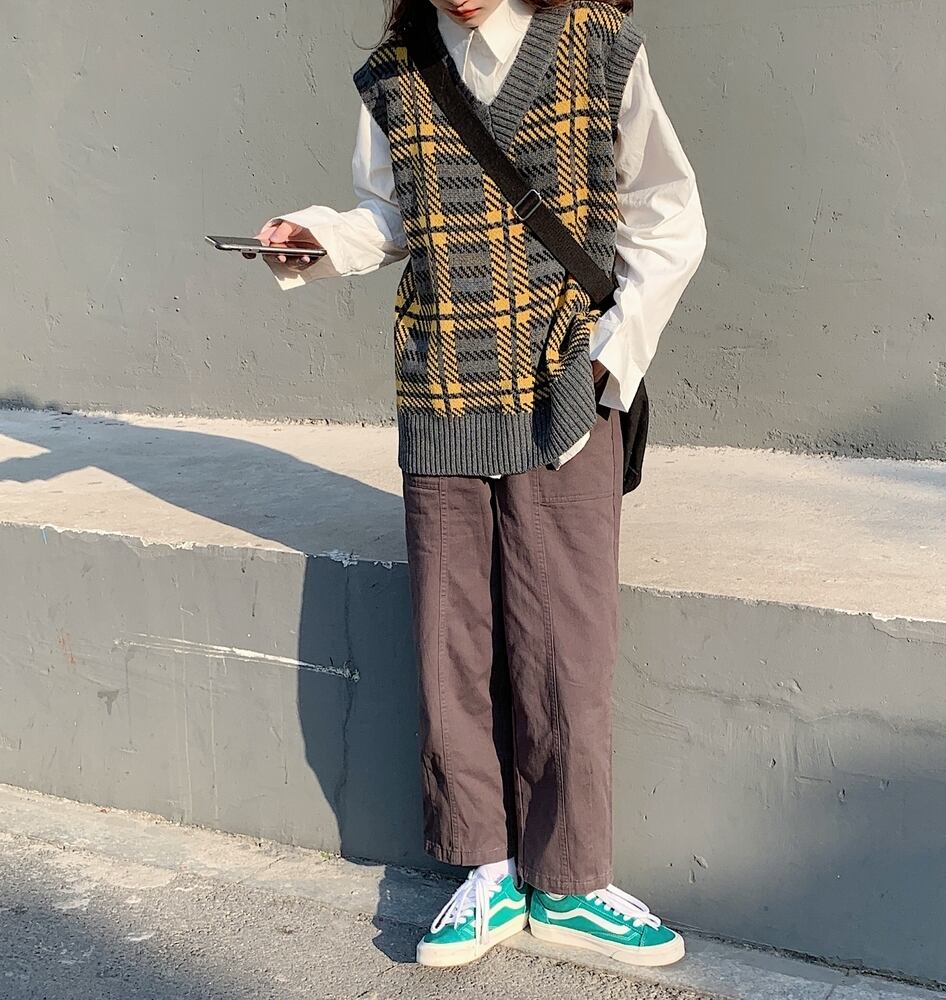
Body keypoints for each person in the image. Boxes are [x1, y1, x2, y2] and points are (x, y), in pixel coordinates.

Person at [253, 0, 707, 971]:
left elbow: (670, 214)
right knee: (448, 639)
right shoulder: (396, 72)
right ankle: (484, 868)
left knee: (568, 641)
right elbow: (391, 215)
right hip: (444, 386)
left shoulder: (598, 45)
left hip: (566, 392)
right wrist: (317, 239)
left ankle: (572, 884)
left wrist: (608, 358)